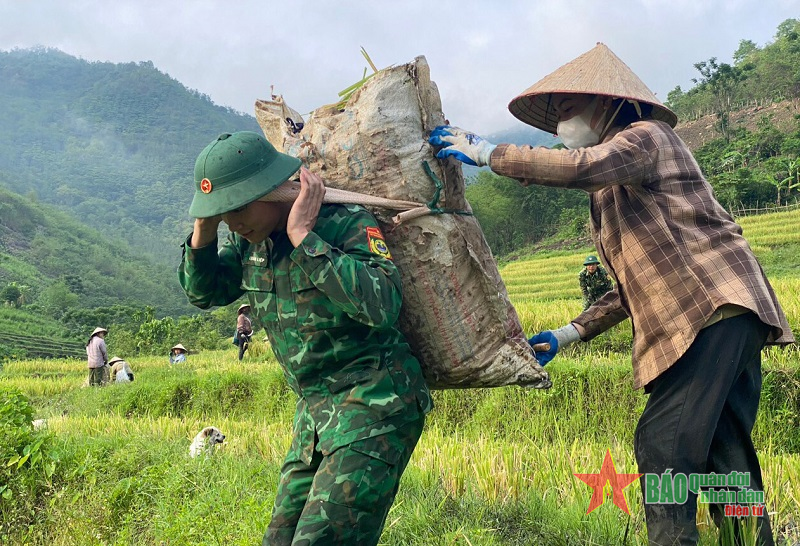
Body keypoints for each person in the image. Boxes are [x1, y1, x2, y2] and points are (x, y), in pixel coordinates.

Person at [429, 43, 793, 546]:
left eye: (567, 110)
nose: (560, 126)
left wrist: (488, 153)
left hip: (710, 307)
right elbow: (630, 287)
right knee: (723, 452)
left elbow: (582, 166)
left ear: (606, 103)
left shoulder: (645, 137)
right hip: (726, 311)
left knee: (662, 446)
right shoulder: (614, 188)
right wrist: (568, 333)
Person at [177, 131, 432, 545]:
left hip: (374, 406)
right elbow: (205, 291)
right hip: (314, 418)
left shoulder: (342, 221)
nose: (234, 222)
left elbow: (382, 303)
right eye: (224, 213)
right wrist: (204, 223)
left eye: (239, 207)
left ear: (273, 190)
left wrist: (303, 238)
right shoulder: (249, 245)